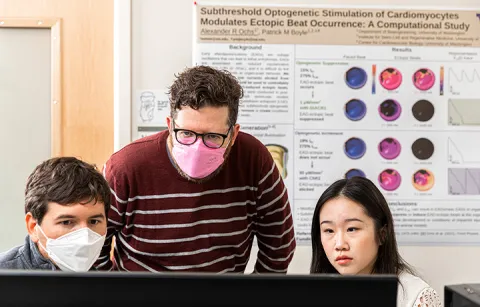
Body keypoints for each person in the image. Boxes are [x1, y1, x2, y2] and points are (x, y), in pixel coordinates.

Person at [96, 66, 296, 273]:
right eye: (186, 133)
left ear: (234, 134)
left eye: (213, 136)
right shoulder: (126, 167)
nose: (197, 148)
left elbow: (279, 244)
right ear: (169, 125)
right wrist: (113, 294)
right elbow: (91, 239)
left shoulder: (254, 160)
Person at [310, 177, 441, 307]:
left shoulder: (417, 298)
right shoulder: (313, 295)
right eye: (329, 230)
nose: (339, 245)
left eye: (352, 229)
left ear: (382, 234)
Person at [0, 157, 111, 271]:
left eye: (94, 221)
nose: (85, 237)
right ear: (32, 227)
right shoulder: (4, 274)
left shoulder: (106, 285)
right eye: (66, 222)